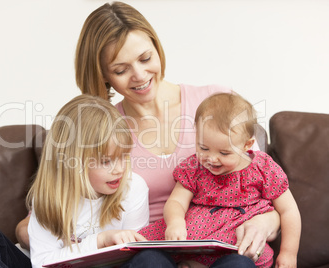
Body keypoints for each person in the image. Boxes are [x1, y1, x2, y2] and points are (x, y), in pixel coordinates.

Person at [16, 1, 282, 266]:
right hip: (150, 256)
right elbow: (41, 219)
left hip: (222, 248)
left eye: (145, 58)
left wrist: (265, 221)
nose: (140, 75)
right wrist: (82, 245)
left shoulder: (215, 102)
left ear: (157, 48)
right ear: (104, 75)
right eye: (121, 70)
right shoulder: (104, 130)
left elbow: (264, 185)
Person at [139, 93, 302, 268]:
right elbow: (177, 201)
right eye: (203, 148)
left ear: (247, 145)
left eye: (224, 153)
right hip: (190, 246)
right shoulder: (195, 167)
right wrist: (175, 221)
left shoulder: (263, 168)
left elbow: (289, 211)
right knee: (147, 257)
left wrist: (288, 254)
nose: (212, 158)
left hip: (233, 252)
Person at [27, 94, 153, 267]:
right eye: (106, 161)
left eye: (123, 156)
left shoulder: (133, 187)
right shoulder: (49, 200)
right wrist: (99, 241)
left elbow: (137, 256)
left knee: (152, 258)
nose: (119, 169)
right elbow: (42, 263)